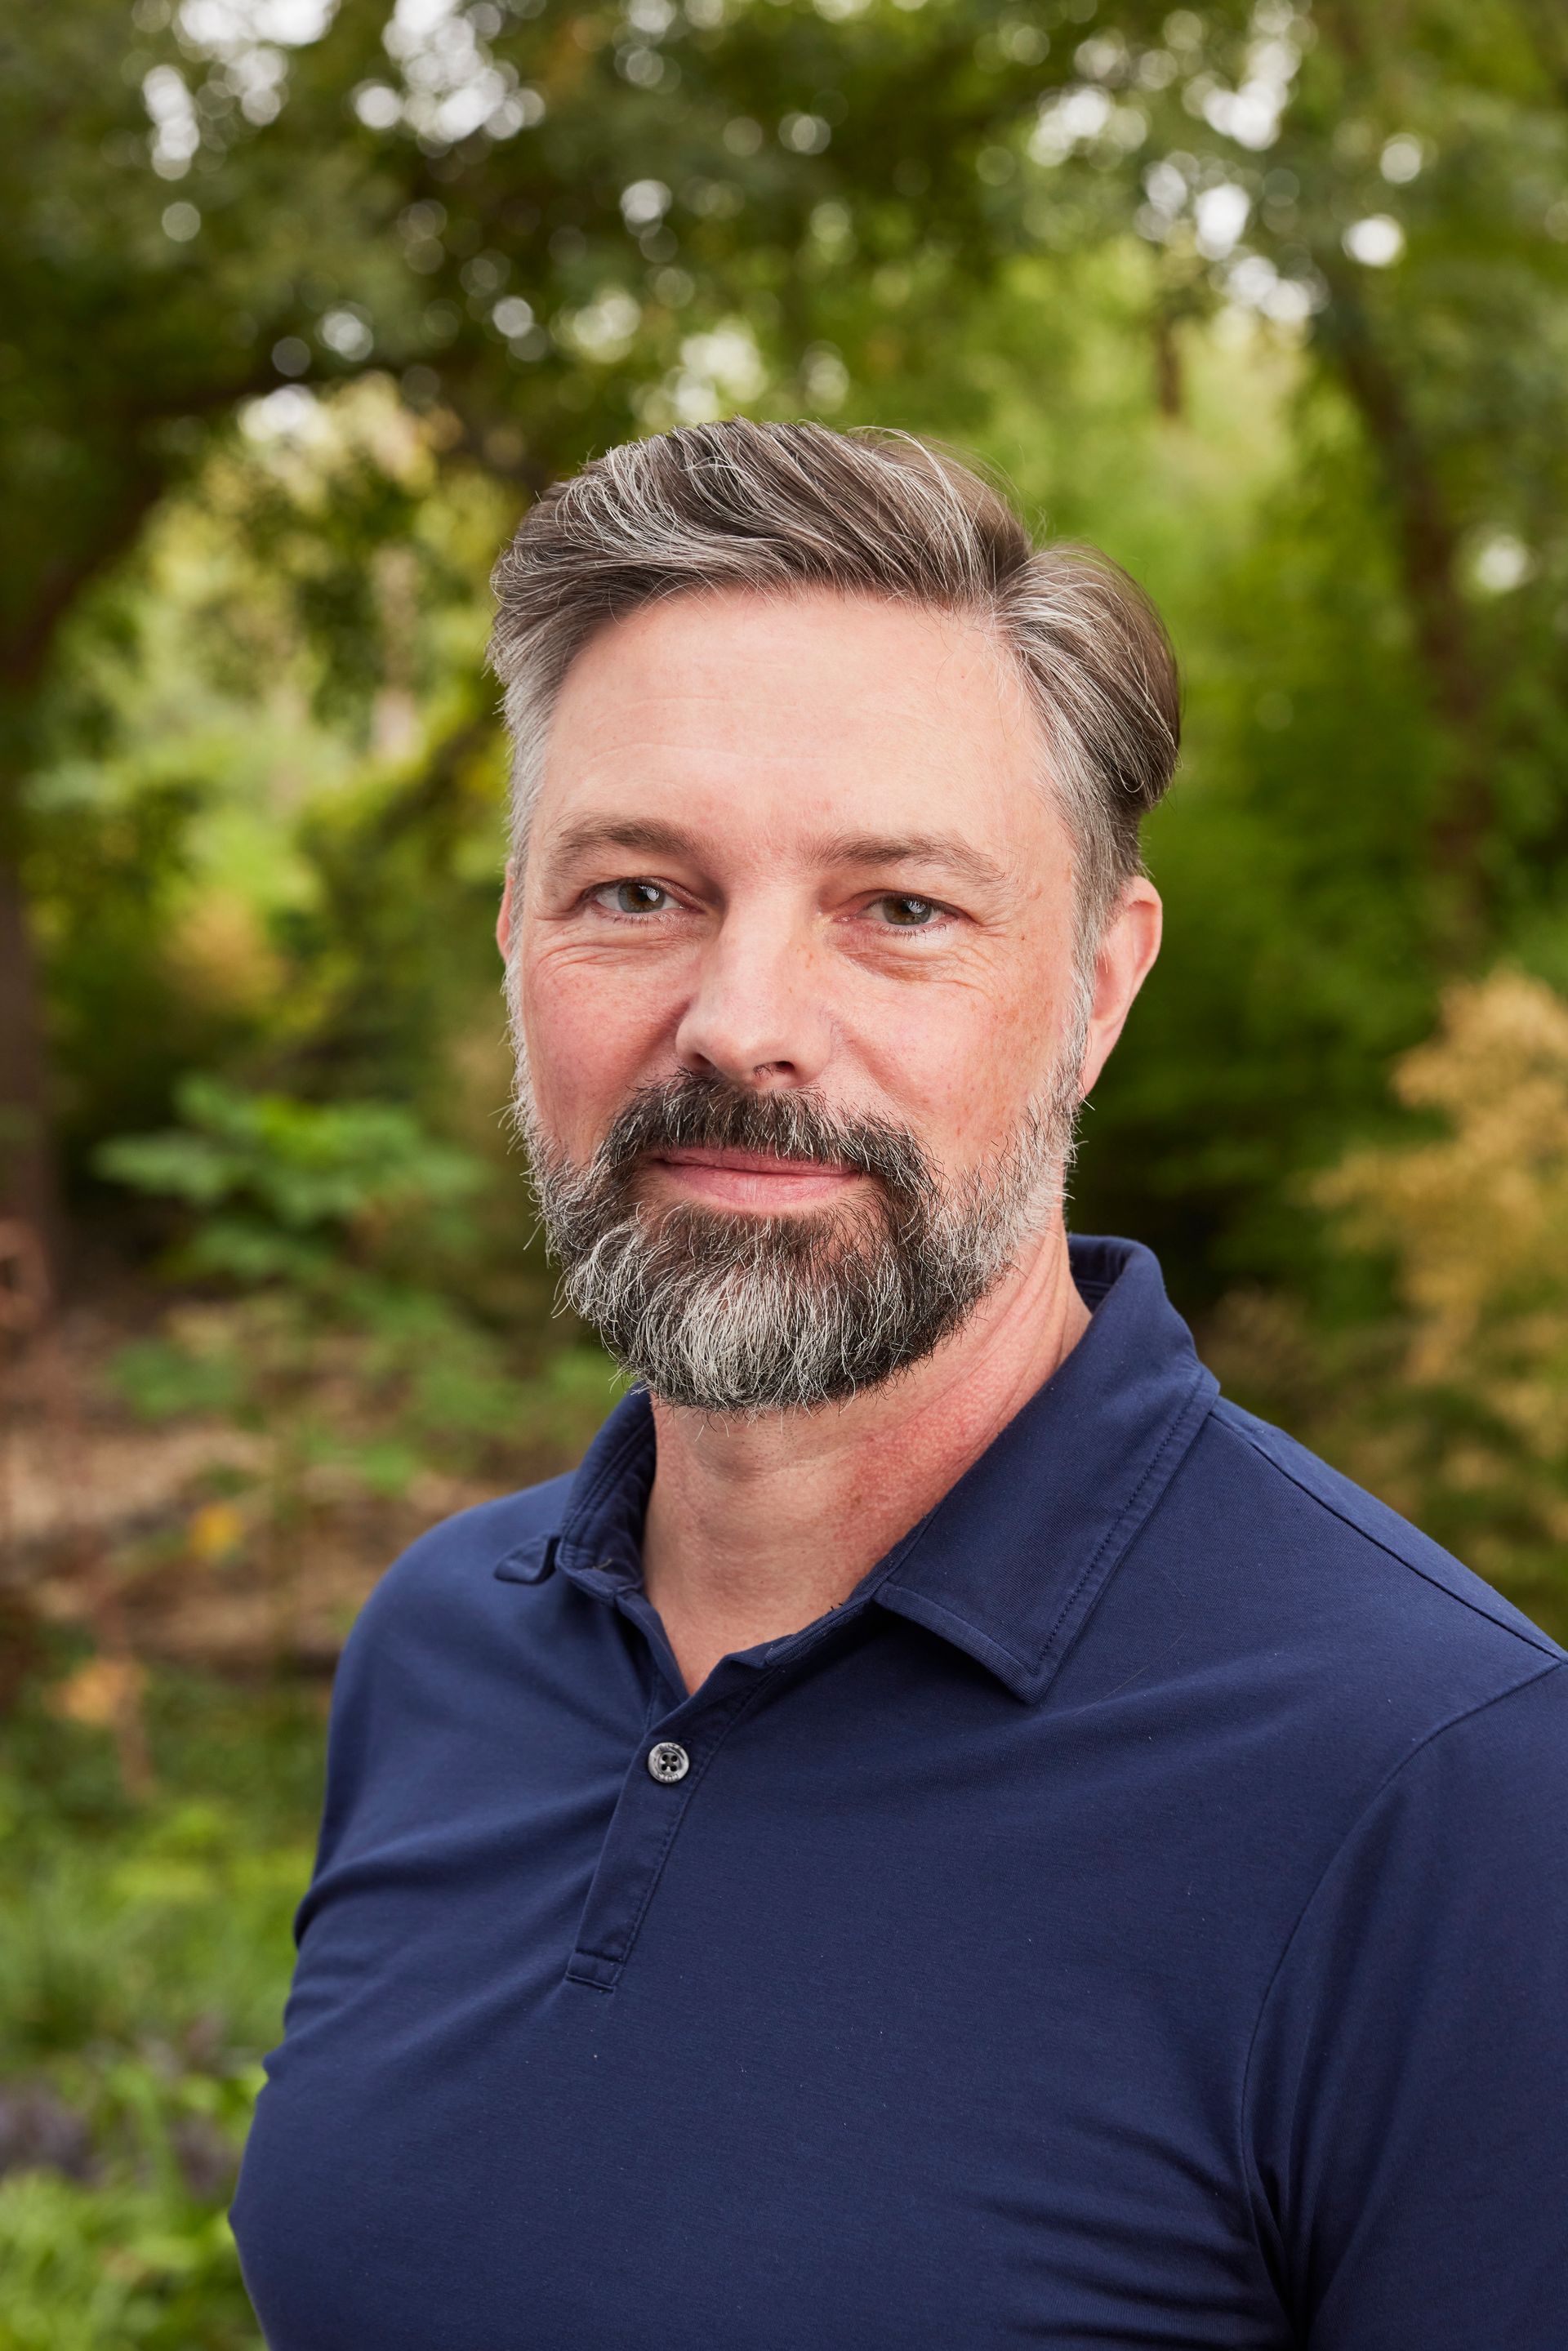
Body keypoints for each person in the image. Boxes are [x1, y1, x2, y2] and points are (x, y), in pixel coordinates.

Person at [232, 422, 1568, 2350]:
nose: (748, 1021)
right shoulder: (441, 1646)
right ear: (516, 936)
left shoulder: (1451, 1797)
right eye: (637, 891)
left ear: (1099, 990)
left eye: (902, 910)